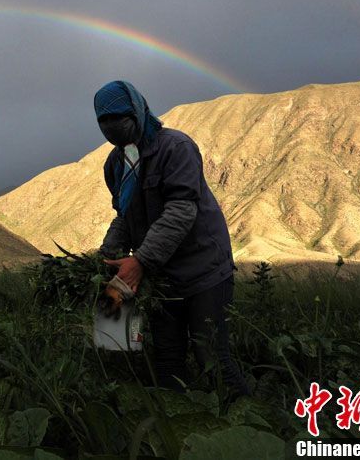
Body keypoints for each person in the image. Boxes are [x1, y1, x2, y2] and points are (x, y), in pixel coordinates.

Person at [93, 79, 249, 400]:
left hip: (204, 269)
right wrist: (108, 254)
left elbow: (181, 210)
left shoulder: (175, 148)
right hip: (162, 278)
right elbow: (124, 215)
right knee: (167, 359)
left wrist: (142, 260)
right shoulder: (116, 164)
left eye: (118, 117)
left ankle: (249, 423)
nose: (111, 127)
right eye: (103, 121)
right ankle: (179, 427)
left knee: (212, 358)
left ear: (137, 110)